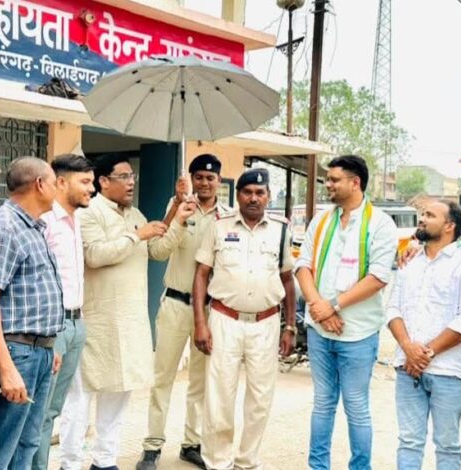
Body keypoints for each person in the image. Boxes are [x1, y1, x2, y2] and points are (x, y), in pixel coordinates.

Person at [59, 155, 195, 470]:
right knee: (80, 400)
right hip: (98, 322)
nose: (131, 182)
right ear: (103, 182)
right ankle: (70, 463)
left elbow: (157, 250)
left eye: (132, 175)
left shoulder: (136, 215)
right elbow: (94, 255)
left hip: (131, 321)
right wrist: (137, 235)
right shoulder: (90, 212)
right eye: (123, 176)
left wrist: (178, 217)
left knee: (119, 394)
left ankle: (105, 461)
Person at [295, 155, 398, 470]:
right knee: (322, 404)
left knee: (356, 407)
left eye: (334, 180)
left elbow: (378, 277)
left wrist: (334, 305)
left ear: (355, 182)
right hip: (320, 329)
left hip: (358, 333)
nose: (328, 184)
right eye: (328, 179)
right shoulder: (321, 220)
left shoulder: (380, 223)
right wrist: (320, 308)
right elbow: (303, 265)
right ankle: (318, 466)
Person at [192, 167, 296, 470]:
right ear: (237, 195)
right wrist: (200, 323)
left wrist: (290, 326)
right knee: (219, 396)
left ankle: (247, 462)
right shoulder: (219, 226)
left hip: (266, 323)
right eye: (248, 192)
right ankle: (218, 462)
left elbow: (287, 279)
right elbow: (201, 274)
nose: (254, 198)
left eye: (260, 193)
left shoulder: (281, 230)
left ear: (268, 196)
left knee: (260, 398)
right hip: (224, 320)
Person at [137, 154, 231, 470]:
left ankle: (192, 443)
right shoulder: (177, 207)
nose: (204, 183)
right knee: (162, 378)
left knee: (200, 381)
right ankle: (152, 445)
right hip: (175, 305)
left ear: (219, 181)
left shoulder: (227, 217)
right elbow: (157, 251)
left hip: (210, 311)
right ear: (190, 179)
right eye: (198, 177)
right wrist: (178, 211)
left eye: (210, 178)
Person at [0, 157, 65, 469]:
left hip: (38, 352)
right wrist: (6, 368)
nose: (58, 189)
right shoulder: (4, 228)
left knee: (26, 446)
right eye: (54, 182)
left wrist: (47, 344)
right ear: (39, 184)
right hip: (15, 353)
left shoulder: (34, 228)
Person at [386, 200, 461, 470]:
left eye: (430, 215)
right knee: (409, 441)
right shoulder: (409, 262)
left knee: (448, 445)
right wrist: (408, 347)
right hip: (407, 368)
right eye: (422, 214)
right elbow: (392, 309)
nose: (422, 219)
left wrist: (425, 353)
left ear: (449, 226)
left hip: (448, 371)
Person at [31, 155, 95, 470]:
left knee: (53, 410)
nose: (91, 189)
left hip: (76, 323)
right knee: (39, 411)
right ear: (61, 182)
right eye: (85, 182)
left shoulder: (76, 220)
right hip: (53, 326)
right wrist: (49, 330)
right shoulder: (45, 222)